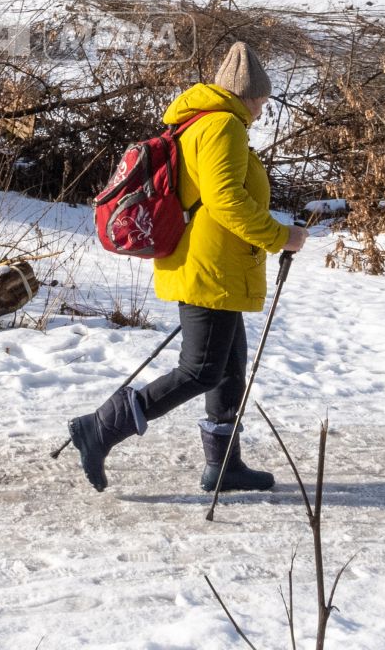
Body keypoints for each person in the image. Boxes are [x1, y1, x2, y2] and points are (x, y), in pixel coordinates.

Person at [67, 41, 308, 494]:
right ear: (249, 94)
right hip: (210, 266)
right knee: (200, 369)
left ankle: (225, 465)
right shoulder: (223, 126)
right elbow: (226, 200)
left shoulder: (199, 123)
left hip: (212, 264)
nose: (262, 107)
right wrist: (281, 237)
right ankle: (99, 428)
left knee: (229, 367)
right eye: (261, 98)